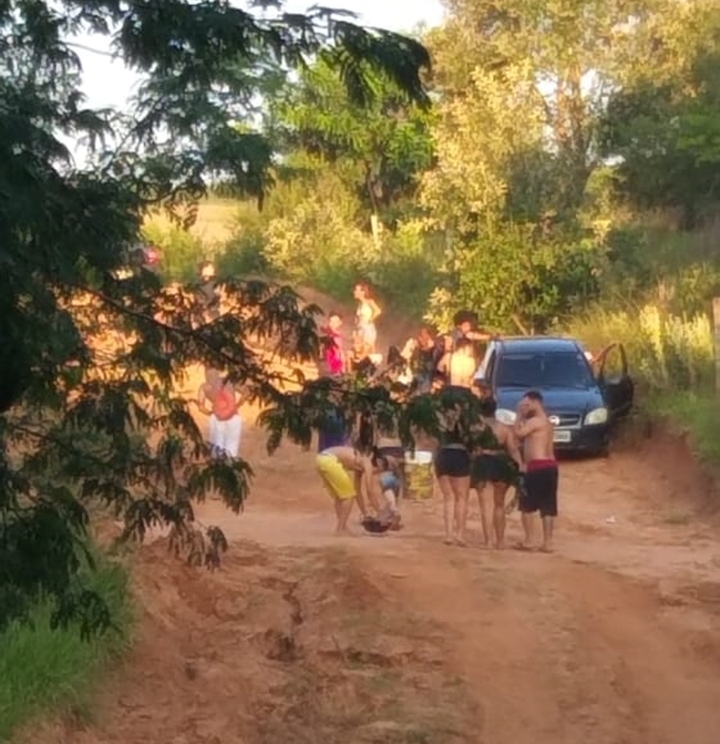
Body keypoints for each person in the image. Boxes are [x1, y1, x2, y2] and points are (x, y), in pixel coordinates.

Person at [470, 396, 523, 549]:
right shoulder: (504, 428)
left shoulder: (476, 427)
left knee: (485, 506)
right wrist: (520, 465)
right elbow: (512, 449)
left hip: (482, 464)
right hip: (500, 464)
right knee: (499, 505)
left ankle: (488, 541)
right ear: (495, 410)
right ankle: (500, 541)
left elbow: (471, 448)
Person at [513, 390, 559, 553]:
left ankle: (530, 540)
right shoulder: (546, 422)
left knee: (527, 505)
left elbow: (518, 434)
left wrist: (519, 415)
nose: (524, 407)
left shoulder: (535, 422)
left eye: (526, 404)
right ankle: (548, 542)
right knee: (548, 505)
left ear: (534, 402)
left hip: (537, 466)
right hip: (550, 466)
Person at [434, 398, 472, 546]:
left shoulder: (440, 419)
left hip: (443, 455)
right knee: (461, 497)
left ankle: (448, 534)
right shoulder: (465, 420)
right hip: (460, 455)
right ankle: (460, 534)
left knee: (448, 497)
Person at [315, 446, 374, 535]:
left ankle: (342, 526)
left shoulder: (359, 463)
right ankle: (340, 528)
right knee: (349, 496)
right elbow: (369, 490)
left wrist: (365, 513)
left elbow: (357, 491)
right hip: (329, 460)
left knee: (340, 497)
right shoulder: (367, 462)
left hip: (320, 459)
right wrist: (380, 513)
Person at [197, 367, 247, 458]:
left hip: (217, 418)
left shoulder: (205, 387)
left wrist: (211, 413)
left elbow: (201, 407)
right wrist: (237, 405)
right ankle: (229, 468)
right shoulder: (229, 382)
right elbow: (246, 392)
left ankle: (218, 469)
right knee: (231, 451)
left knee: (216, 450)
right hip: (233, 416)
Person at [353, 282, 382, 354]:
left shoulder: (369, 301)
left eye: (357, 290)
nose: (354, 292)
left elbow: (378, 311)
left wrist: (370, 319)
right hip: (360, 328)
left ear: (362, 292)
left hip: (367, 328)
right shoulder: (360, 304)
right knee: (360, 350)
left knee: (368, 349)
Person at [319, 312, 346, 377]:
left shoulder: (337, 334)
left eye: (334, 322)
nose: (332, 324)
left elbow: (339, 349)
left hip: (335, 355)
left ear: (339, 323)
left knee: (335, 368)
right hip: (329, 353)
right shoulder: (329, 330)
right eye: (331, 321)